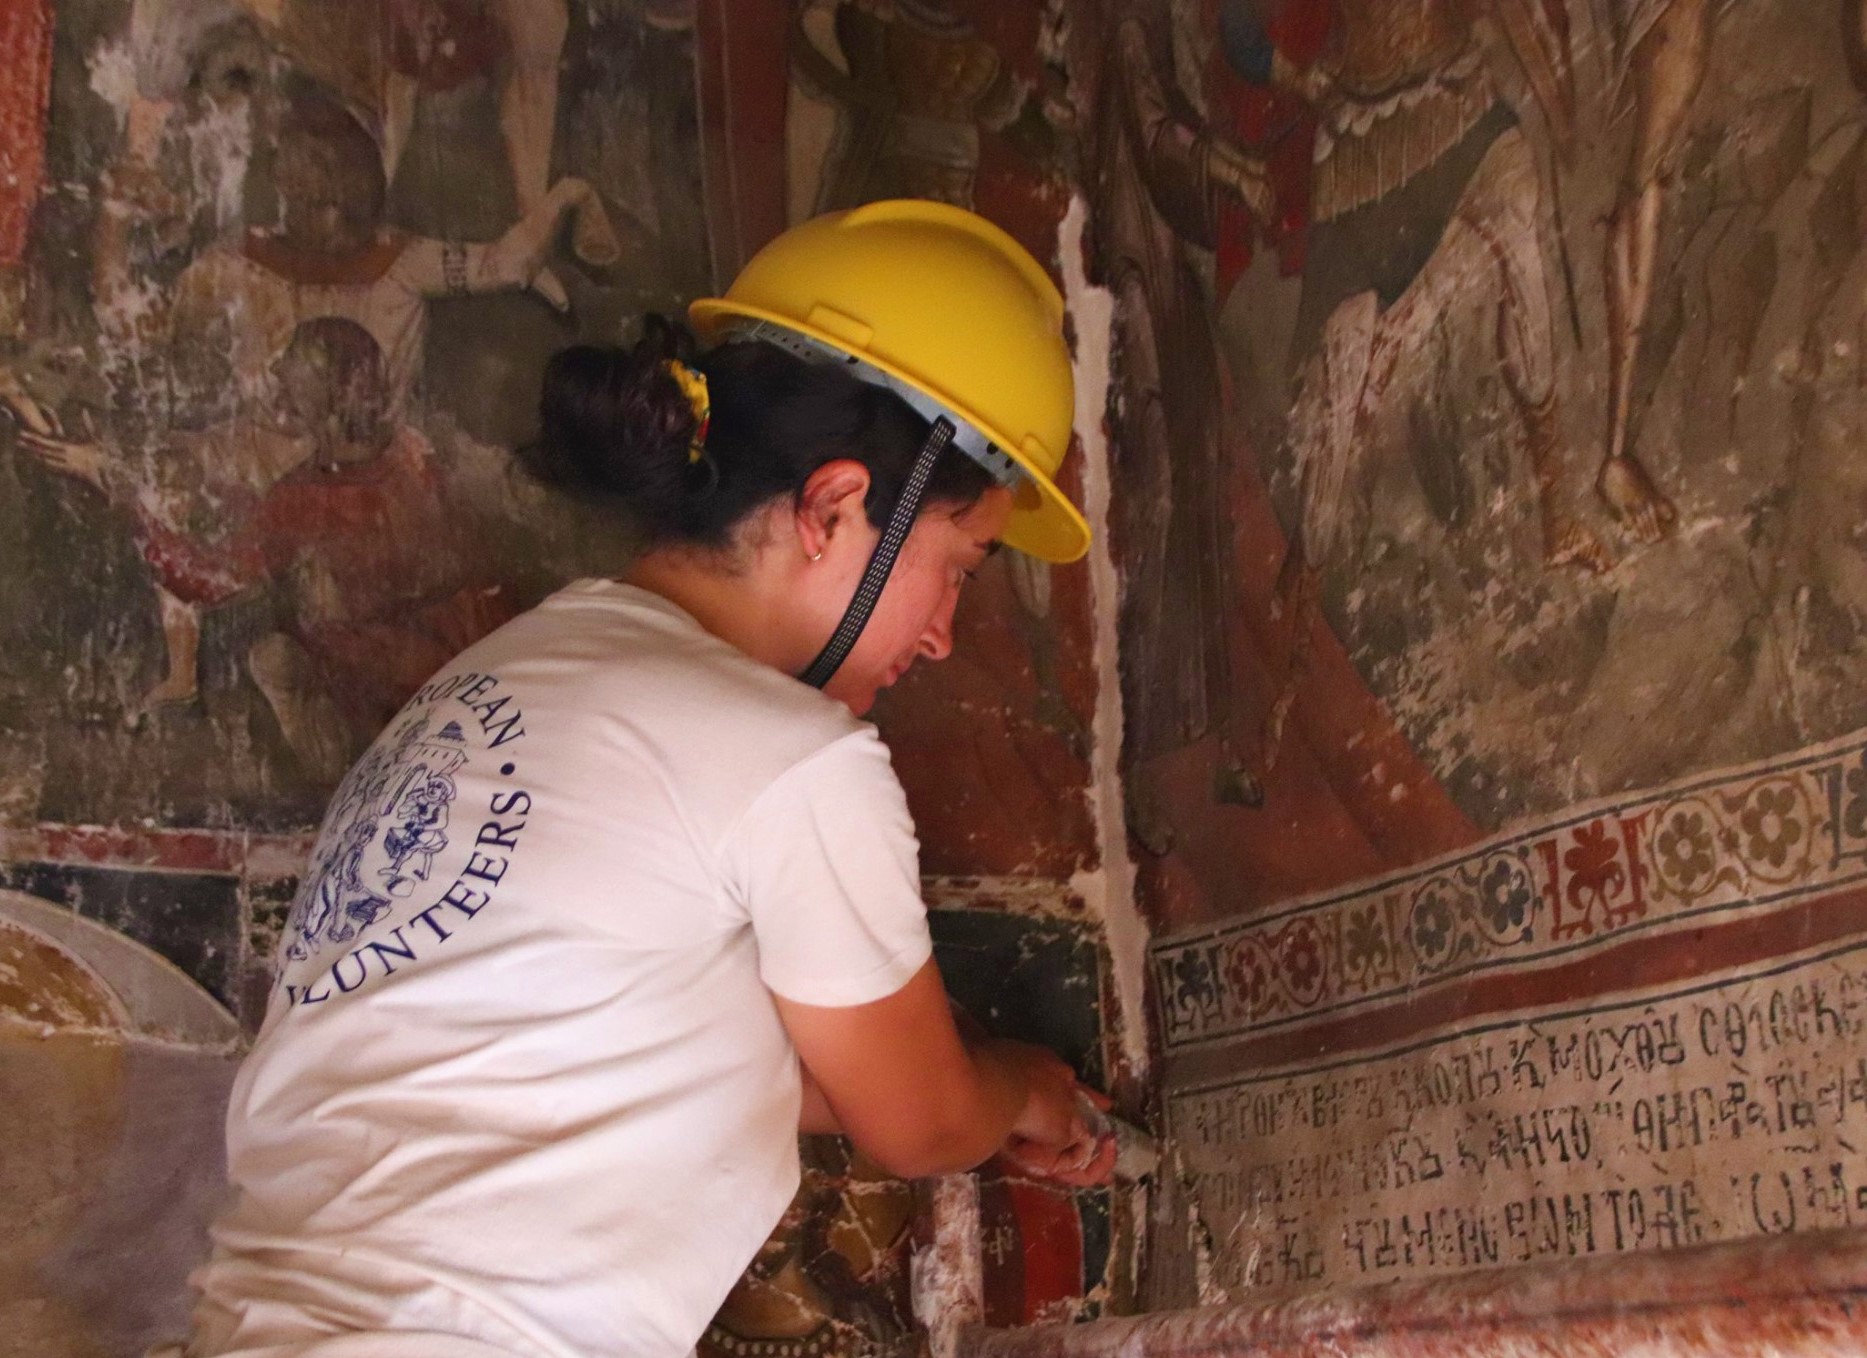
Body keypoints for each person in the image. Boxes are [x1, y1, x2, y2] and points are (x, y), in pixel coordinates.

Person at [187, 199, 1112, 1358]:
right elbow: (918, 1120)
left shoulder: (491, 685)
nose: (939, 635)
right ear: (833, 507)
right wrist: (1019, 1086)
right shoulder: (786, 754)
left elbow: (656, 1042)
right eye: (958, 568)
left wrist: (972, 1088)